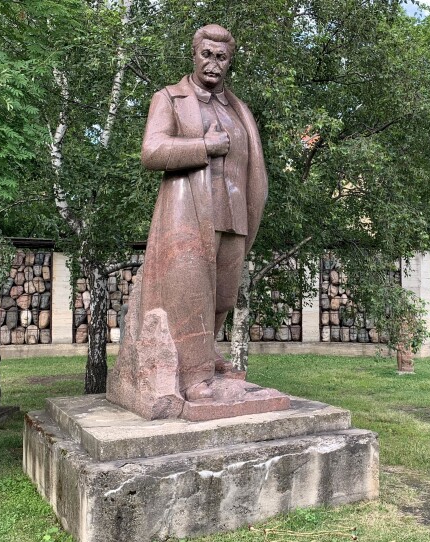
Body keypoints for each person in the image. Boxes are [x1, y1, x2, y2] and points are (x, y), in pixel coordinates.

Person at [135, 24, 268, 400]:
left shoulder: (239, 108)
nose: (213, 63)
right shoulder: (170, 98)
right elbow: (152, 151)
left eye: (221, 57)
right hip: (190, 214)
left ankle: (206, 356)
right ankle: (193, 379)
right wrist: (204, 146)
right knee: (192, 294)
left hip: (233, 214)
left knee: (223, 298)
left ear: (230, 62)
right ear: (194, 55)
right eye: (206, 54)